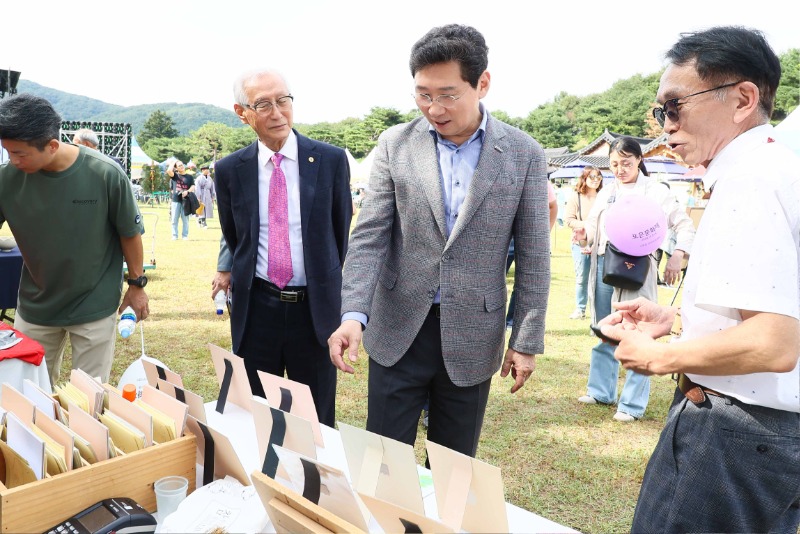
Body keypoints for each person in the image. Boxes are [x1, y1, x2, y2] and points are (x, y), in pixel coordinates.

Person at [597, 26, 800, 532]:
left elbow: (775, 342)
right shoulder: (776, 166)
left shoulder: (751, 180)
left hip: (735, 434)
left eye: (674, 105)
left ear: (743, 98)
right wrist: (682, 315)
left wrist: (662, 356)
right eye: (660, 111)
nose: (665, 123)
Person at [328, 24, 550, 459]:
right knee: (382, 461)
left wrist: (525, 340)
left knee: (453, 466)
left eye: (448, 94)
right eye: (423, 94)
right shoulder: (395, 144)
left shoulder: (524, 153)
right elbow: (370, 238)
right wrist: (353, 314)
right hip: (398, 329)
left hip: (474, 333)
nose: (434, 107)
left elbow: (535, 256)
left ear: (482, 83)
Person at [213, 69, 352, 427]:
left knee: (317, 419)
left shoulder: (330, 161)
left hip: (315, 312)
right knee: (255, 414)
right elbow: (235, 236)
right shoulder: (229, 170)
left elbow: (340, 235)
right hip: (257, 308)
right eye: (263, 104)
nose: (277, 112)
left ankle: (316, 482)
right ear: (242, 112)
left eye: (283, 101)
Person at [0, 94, 149, 385]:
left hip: (93, 304)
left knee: (88, 398)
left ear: (52, 145)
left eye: (20, 153)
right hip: (35, 306)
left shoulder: (103, 173)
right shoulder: (6, 179)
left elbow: (129, 234)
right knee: (27, 392)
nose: (13, 161)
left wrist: (136, 285)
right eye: (8, 152)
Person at [579, 136, 694, 422]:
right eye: (615, 164)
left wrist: (678, 254)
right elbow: (594, 225)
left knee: (639, 332)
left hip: (638, 268)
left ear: (639, 160)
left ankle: (631, 404)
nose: (620, 169)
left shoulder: (655, 191)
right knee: (604, 327)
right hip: (605, 264)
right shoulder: (607, 192)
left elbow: (685, 225)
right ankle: (601, 390)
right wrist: (585, 235)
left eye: (626, 163)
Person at [505, 180, 556, 328]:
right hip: (502, 239)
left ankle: (512, 321)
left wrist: (544, 234)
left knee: (525, 284)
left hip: (530, 238)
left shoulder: (538, 178)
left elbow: (552, 206)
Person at [564, 166, 603, 320]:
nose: (595, 180)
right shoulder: (576, 196)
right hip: (581, 241)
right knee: (582, 277)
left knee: (600, 279)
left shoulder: (604, 196)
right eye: (592, 177)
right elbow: (569, 220)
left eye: (598, 177)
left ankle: (597, 310)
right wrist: (588, 225)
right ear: (584, 178)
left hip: (601, 242)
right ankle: (580, 309)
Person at [166, 160, 195, 240]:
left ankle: (185, 235)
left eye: (182, 165)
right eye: (179, 166)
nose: (181, 166)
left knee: (185, 219)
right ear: (176, 168)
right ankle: (174, 235)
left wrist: (187, 191)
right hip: (176, 200)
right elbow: (169, 170)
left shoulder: (189, 177)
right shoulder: (175, 176)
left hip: (186, 200)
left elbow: (193, 186)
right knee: (174, 219)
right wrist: (174, 162)